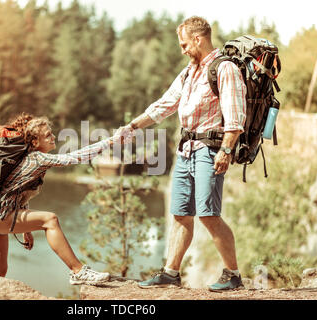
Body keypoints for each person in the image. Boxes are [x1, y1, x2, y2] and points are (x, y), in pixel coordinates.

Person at [116, 16, 246, 291]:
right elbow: (165, 104)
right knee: (180, 214)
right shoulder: (189, 71)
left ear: (198, 39)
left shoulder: (225, 69)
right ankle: (170, 273)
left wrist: (226, 151)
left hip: (210, 150)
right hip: (186, 150)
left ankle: (233, 274)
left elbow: (235, 119)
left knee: (208, 214)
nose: (183, 49)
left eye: (185, 44)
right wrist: (133, 126)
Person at [0, 113, 119, 285]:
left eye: (51, 133)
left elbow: (16, 191)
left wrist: (26, 229)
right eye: (48, 135)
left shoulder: (27, 159)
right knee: (50, 220)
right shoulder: (37, 158)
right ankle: (78, 271)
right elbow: (74, 157)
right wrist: (110, 141)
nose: (53, 137)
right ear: (34, 142)